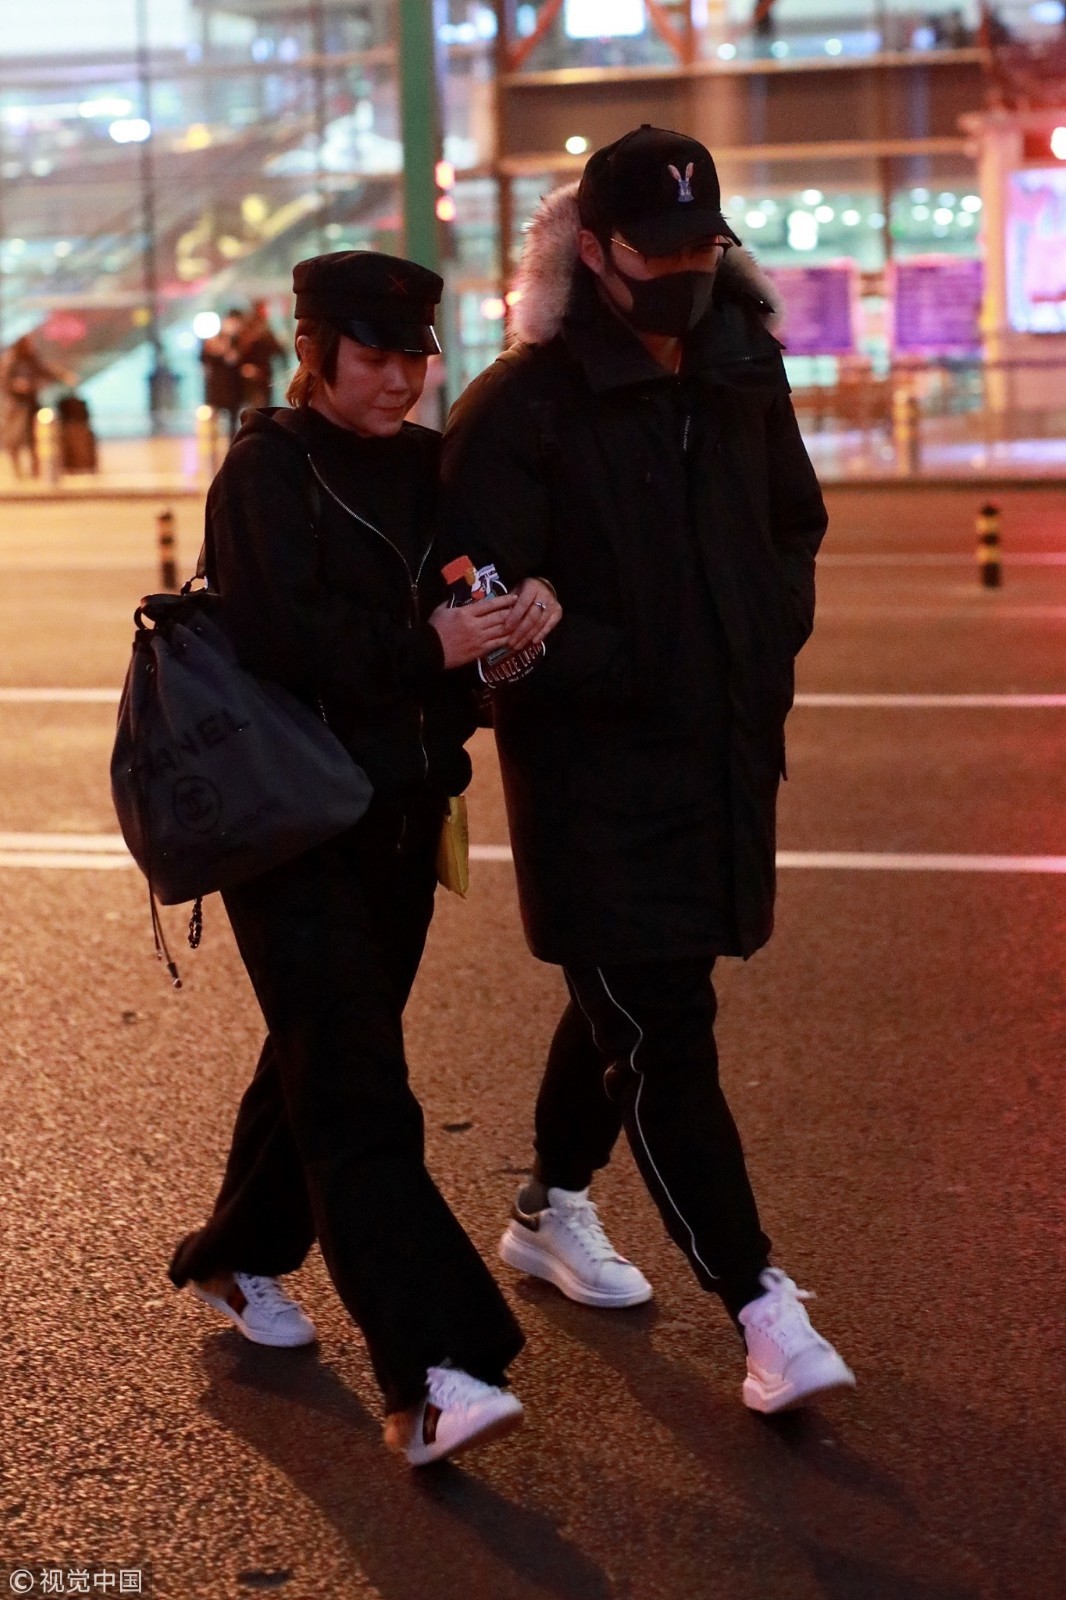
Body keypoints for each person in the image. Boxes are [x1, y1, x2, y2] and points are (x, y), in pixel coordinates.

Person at [440, 126, 855, 1415]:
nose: (678, 274)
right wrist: (627, 665)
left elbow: (792, 522)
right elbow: (486, 601)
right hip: (593, 781)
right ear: (590, 251)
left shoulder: (740, 362)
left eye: (698, 250)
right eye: (651, 252)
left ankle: (547, 1206)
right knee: (664, 1031)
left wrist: (760, 635)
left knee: (632, 998)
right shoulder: (522, 405)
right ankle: (761, 1306)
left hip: (722, 752)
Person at [169, 251, 557, 1466]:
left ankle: (236, 1250)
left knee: (324, 1054)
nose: (399, 379)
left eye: (415, 357)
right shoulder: (265, 472)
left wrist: (523, 607)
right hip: (293, 827)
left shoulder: (425, 466)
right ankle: (435, 1369)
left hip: (402, 813)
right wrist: (426, 647)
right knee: (361, 1097)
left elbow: (475, 580)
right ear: (314, 351)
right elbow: (281, 642)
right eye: (374, 356)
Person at [0, 333, 71, 478]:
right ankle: (17, 470)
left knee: (35, 438)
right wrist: (16, 386)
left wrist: (62, 376)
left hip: (31, 404)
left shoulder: (31, 360)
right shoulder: (11, 361)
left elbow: (44, 371)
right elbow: (5, 381)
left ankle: (35, 469)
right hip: (16, 407)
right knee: (15, 439)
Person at [200, 308, 245, 440]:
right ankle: (212, 441)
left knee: (233, 419)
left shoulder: (240, 340)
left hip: (233, 385)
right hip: (218, 385)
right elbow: (205, 360)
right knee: (215, 416)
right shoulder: (213, 341)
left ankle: (232, 442)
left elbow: (237, 360)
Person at [238, 299, 286, 409]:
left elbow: (278, 351)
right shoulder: (246, 333)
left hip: (263, 374)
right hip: (250, 377)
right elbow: (239, 355)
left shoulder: (266, 334)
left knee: (263, 403)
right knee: (254, 403)